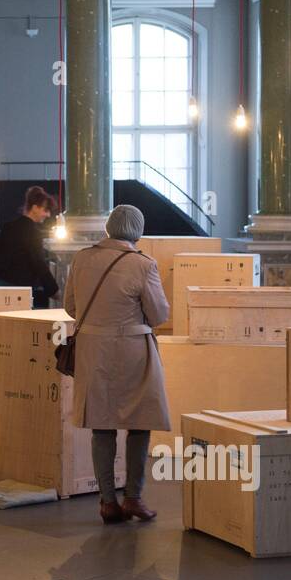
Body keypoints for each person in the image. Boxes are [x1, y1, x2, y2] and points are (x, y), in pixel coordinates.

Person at [64, 204, 171, 524]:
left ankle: (107, 501)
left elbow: (70, 307)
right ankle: (134, 498)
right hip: (133, 352)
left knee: (102, 426)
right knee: (139, 424)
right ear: (138, 230)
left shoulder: (81, 258)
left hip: (92, 352)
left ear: (109, 227)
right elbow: (160, 316)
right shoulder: (143, 265)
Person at [0, 185, 59, 308]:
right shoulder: (33, 232)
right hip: (20, 291)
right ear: (35, 208)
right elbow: (38, 262)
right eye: (45, 210)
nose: (47, 215)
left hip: (0, 286)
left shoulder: (9, 227)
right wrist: (53, 289)